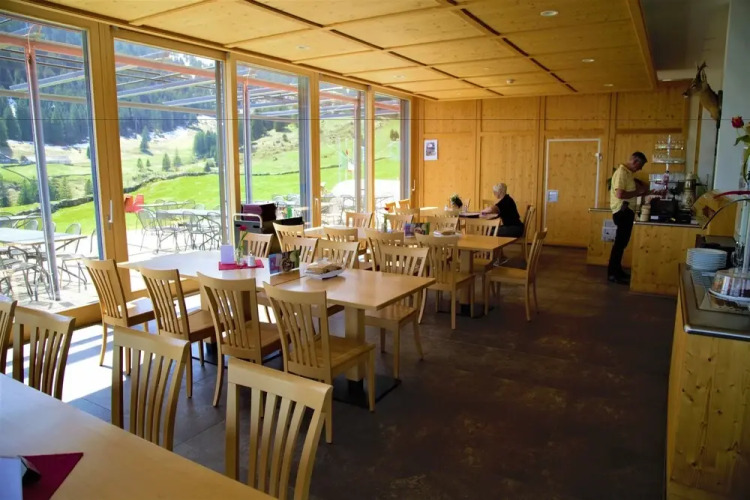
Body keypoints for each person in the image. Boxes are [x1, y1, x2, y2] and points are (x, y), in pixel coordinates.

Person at [608, 151, 649, 284]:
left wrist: (645, 192)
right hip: (623, 211)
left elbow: (631, 192)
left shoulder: (628, 173)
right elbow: (620, 195)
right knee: (619, 244)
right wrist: (637, 192)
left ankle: (617, 271)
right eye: (640, 166)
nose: (640, 169)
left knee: (621, 244)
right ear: (635, 161)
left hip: (626, 211)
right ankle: (613, 274)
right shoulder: (622, 173)